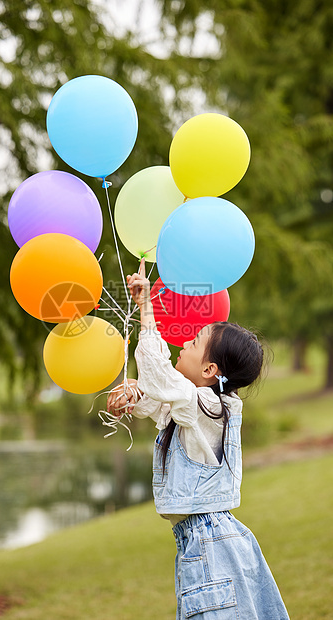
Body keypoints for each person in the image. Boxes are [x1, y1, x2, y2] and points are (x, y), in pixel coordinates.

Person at [107, 259, 290, 620]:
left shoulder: (210, 406)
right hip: (208, 540)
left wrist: (146, 307)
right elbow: (161, 401)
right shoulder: (203, 407)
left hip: (208, 544)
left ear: (209, 370)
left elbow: (160, 380)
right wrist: (134, 397)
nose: (183, 343)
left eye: (193, 342)